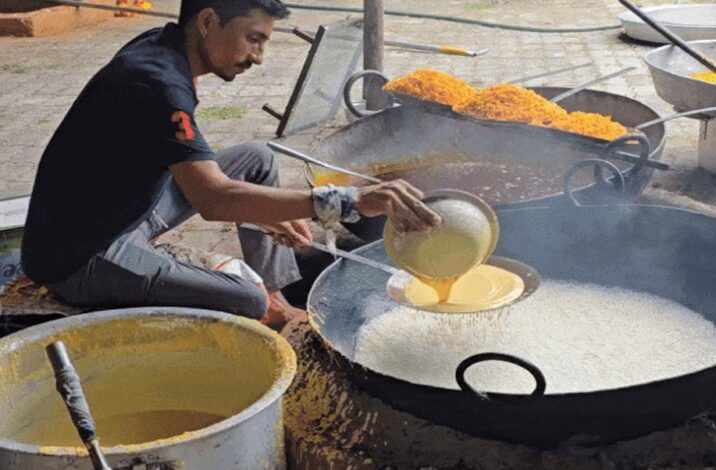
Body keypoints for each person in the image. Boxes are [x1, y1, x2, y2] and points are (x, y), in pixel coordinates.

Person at [21, 0, 440, 331]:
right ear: (207, 21)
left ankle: (281, 293)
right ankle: (266, 304)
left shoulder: (163, 45)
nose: (257, 56)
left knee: (256, 158)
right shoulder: (156, 83)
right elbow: (215, 201)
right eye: (253, 39)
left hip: (126, 210)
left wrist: (269, 210)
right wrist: (351, 200)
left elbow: (199, 174)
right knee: (246, 299)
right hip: (81, 254)